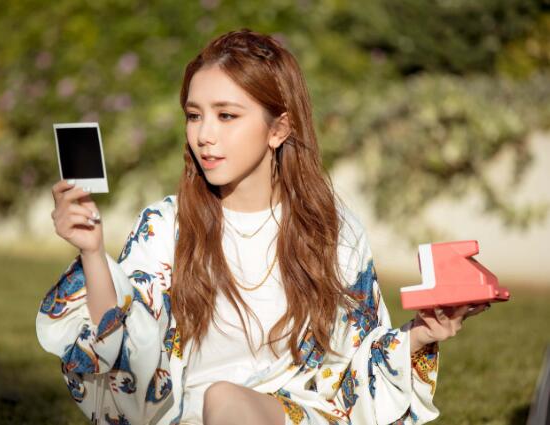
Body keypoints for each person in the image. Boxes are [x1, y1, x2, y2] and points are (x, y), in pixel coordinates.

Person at [37, 28, 490, 425]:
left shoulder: (330, 229)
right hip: (186, 416)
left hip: (293, 416)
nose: (204, 135)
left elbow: (357, 364)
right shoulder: (165, 226)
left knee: (226, 401)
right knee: (219, 401)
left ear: (279, 129)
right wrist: (92, 253)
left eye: (226, 115)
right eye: (194, 115)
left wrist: (422, 333)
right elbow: (123, 352)